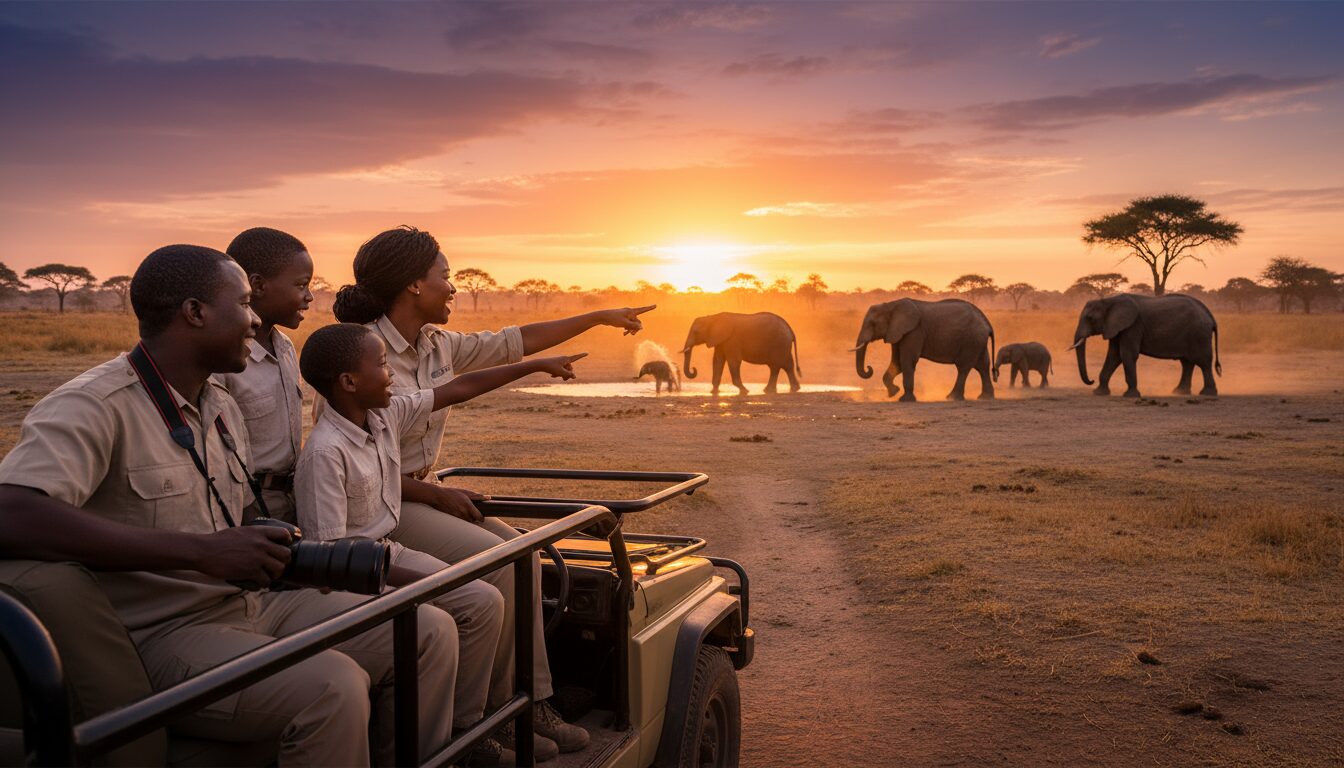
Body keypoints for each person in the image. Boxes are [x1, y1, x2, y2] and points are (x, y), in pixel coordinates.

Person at [0, 245, 458, 766]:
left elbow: (233, 518)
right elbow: (11, 511)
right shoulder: (95, 406)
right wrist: (200, 552)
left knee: (425, 628)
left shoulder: (218, 405)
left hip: (249, 603)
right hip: (166, 631)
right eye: (242, 303)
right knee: (332, 686)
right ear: (195, 313)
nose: (255, 318)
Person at [327, 225, 653, 753]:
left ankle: (529, 704)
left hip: (419, 493)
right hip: (379, 504)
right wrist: (433, 495)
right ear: (414, 285)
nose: (453, 287)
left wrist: (596, 317)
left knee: (523, 553)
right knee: (496, 561)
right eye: (445, 276)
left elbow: (514, 340)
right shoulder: (360, 353)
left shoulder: (435, 344)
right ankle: (484, 721)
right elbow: (354, 465)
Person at [296, 323, 583, 765]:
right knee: (470, 596)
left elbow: (458, 388)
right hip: (357, 570)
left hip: (387, 547)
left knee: (485, 598)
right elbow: (332, 559)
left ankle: (469, 727)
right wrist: (418, 579)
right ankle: (462, 737)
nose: (391, 373)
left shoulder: (382, 416)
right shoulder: (325, 453)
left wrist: (534, 366)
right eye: (383, 365)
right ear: (350, 382)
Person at [213, 227, 313, 522]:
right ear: (257, 285)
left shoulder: (285, 347)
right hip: (248, 505)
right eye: (300, 285)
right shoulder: (225, 361)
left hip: (294, 496)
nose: (309, 297)